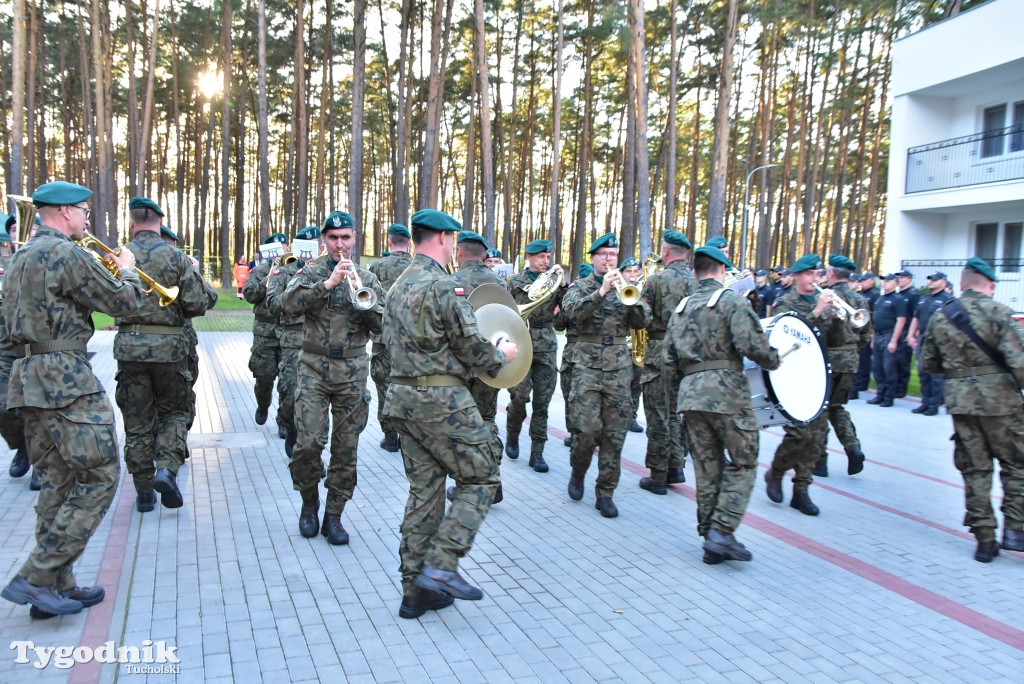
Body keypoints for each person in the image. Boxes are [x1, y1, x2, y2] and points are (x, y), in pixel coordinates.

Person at [0, 181, 144, 618]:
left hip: (27, 378)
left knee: (57, 482)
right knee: (100, 475)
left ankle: (54, 589)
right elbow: (125, 301)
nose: (86, 218)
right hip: (65, 380)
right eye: (83, 210)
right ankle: (38, 575)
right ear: (64, 213)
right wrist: (129, 267)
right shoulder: (65, 253)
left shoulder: (19, 256)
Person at [383, 208, 518, 619]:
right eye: (452, 240)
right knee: (481, 476)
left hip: (402, 401)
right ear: (443, 239)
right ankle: (442, 564)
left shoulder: (397, 285)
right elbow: (472, 348)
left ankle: (414, 592)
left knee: (425, 493)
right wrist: (502, 354)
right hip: (443, 403)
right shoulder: (444, 286)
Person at [665, 245, 781, 563]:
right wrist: (775, 359)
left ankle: (710, 538)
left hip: (690, 397)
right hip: (727, 395)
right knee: (744, 461)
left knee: (706, 467)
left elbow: (667, 360)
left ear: (694, 271)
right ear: (721, 270)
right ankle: (722, 530)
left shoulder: (681, 307)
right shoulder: (731, 301)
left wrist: (685, 390)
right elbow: (754, 346)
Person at [281, 211, 385, 546]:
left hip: (353, 372)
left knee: (346, 449)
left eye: (345, 238)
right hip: (312, 368)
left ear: (354, 238)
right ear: (323, 240)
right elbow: (288, 304)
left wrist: (366, 306)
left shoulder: (368, 277)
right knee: (308, 444)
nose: (339, 244)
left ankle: (334, 515)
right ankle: (309, 502)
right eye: (333, 238)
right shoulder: (309, 272)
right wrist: (327, 285)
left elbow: (384, 328)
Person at [114, 197, 215, 511]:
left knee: (137, 421)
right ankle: (167, 470)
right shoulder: (176, 256)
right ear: (160, 221)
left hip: (129, 350)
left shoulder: (118, 257)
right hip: (171, 350)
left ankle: (144, 493)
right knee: (173, 412)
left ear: (131, 222)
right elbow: (198, 304)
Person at [920, 257, 1024, 563]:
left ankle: (985, 540)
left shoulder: (942, 316)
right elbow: (1019, 361)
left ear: (962, 284)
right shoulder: (1000, 313)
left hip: (961, 403)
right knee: (1017, 466)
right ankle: (1016, 532)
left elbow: (927, 363)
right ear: (990, 285)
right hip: (1002, 403)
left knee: (975, 469)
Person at [562, 233, 652, 518]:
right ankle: (578, 471)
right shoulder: (580, 286)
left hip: (619, 369)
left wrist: (631, 295)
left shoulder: (627, 288)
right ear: (593, 258)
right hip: (586, 367)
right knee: (586, 432)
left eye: (613, 254)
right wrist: (600, 292)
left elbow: (644, 321)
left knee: (615, 436)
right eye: (603, 254)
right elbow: (572, 314)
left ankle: (606, 492)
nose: (609, 258)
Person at [762, 255, 834, 516]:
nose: (815, 280)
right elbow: (787, 335)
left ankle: (801, 490)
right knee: (800, 434)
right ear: (797, 276)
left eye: (818, 275)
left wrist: (838, 317)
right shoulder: (786, 303)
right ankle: (776, 472)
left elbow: (838, 338)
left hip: (819, 373)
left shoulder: (827, 301)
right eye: (810, 275)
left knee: (816, 439)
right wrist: (816, 312)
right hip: (793, 374)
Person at [637, 231, 695, 495]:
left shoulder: (656, 281)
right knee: (676, 414)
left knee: (658, 415)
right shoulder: (698, 283)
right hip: (688, 355)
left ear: (666, 252)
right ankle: (676, 466)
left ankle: (658, 476)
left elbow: (642, 318)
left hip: (660, 353)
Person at [449, 231, 510, 480]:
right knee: (486, 418)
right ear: (485, 255)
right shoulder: (501, 283)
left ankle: (469, 480)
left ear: (459, 252)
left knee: (461, 422)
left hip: (459, 364)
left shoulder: (450, 281)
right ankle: (492, 477)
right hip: (491, 362)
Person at [505, 239, 566, 472]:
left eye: (548, 257)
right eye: (541, 257)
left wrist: (562, 285)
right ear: (529, 257)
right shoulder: (515, 282)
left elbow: (563, 318)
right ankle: (512, 434)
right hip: (521, 342)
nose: (546, 261)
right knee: (519, 397)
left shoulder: (554, 280)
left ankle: (537, 452)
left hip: (546, 344)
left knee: (543, 402)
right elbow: (506, 311)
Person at [811, 255, 872, 478]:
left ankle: (820, 461)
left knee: (820, 409)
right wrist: (851, 349)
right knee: (837, 407)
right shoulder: (861, 300)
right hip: (850, 361)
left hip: (827, 360)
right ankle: (853, 448)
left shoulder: (826, 297)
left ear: (832, 275)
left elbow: (820, 330)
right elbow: (866, 334)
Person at [159, 224, 216, 458]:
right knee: (178, 403)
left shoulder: (132, 264)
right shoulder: (179, 264)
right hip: (177, 347)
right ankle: (172, 448)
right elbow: (206, 300)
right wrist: (195, 274)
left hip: (139, 349)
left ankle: (158, 454)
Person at [267, 226, 321, 459]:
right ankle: (290, 427)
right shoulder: (284, 273)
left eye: (314, 247)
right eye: (304, 248)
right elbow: (272, 305)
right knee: (289, 391)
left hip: (318, 341)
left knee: (317, 400)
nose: (310, 253)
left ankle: (312, 450)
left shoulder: (328, 272)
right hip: (291, 340)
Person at [369, 223, 414, 453]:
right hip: (412, 342)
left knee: (384, 388)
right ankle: (408, 436)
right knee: (410, 388)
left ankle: (389, 437)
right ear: (409, 242)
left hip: (383, 339)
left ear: (389, 241)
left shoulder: (377, 267)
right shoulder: (417, 267)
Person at [243, 233, 288, 433]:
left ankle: (285, 422)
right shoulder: (259, 271)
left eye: (285, 247)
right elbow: (249, 295)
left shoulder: (293, 269)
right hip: (265, 333)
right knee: (264, 377)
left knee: (289, 382)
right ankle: (263, 405)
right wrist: (268, 279)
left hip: (289, 333)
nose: (282, 251)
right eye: (278, 248)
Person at [555, 263, 592, 449]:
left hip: (573, 351)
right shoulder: (600, 296)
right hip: (592, 352)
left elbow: (559, 325)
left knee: (571, 394)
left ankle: (574, 433)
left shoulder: (574, 296)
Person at [907, 271, 954, 416]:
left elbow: (953, 321)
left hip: (938, 340)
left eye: (935, 279)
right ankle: (925, 402)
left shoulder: (948, 299)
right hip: (923, 339)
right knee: (923, 373)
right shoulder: (924, 298)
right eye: (930, 279)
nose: (931, 281)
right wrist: (910, 335)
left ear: (943, 282)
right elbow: (916, 317)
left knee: (936, 375)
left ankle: (934, 405)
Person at [867, 274, 908, 407]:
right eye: (884, 281)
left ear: (896, 283)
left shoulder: (898, 299)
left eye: (888, 281)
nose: (884, 283)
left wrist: (894, 340)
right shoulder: (880, 298)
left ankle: (888, 397)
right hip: (878, 334)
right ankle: (880, 394)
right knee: (877, 367)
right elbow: (874, 319)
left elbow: (901, 321)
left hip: (889, 335)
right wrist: (873, 338)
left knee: (889, 367)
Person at [619, 257, 645, 434]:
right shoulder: (617, 289)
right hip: (621, 344)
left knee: (637, 383)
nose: (632, 275)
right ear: (622, 273)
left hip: (638, 340)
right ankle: (620, 415)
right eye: (629, 271)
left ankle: (632, 417)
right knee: (622, 384)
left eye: (636, 271)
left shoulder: (643, 289)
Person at [851, 271, 879, 399]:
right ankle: (856, 386)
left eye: (864, 280)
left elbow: (872, 316)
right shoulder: (860, 295)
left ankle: (861, 385)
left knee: (863, 361)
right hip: (852, 331)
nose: (862, 282)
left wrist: (871, 333)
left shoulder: (875, 294)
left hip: (864, 331)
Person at [895, 269, 919, 398]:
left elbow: (915, 315)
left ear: (909, 279)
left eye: (903, 277)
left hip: (906, 329)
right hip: (896, 329)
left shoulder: (912, 295)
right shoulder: (898, 295)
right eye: (899, 277)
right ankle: (895, 386)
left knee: (903, 361)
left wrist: (912, 334)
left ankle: (902, 389)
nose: (900, 279)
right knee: (895, 362)